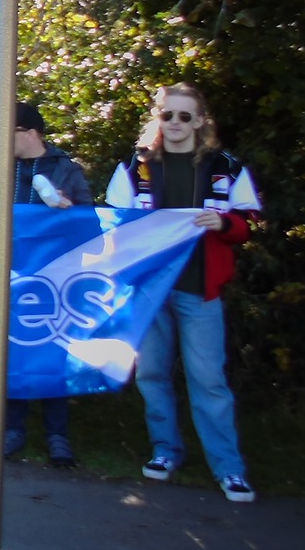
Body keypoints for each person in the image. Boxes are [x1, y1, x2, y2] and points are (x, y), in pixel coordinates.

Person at [107, 82, 263, 504]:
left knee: (208, 380)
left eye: (184, 116)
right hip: (150, 291)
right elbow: (112, 224)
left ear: (199, 121)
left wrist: (224, 224)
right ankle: (165, 450)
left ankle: (229, 469)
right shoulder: (134, 168)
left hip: (200, 290)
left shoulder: (226, 167)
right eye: (167, 115)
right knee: (152, 375)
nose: (174, 123)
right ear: (157, 118)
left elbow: (248, 223)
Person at [0, 100, 93, 466]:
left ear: (29, 133)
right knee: (11, 351)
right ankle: (13, 430)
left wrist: (68, 210)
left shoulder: (66, 170)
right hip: (9, 280)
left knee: (53, 352)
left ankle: (58, 435)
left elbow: (92, 228)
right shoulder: (1, 169)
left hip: (55, 282)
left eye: (5, 130)